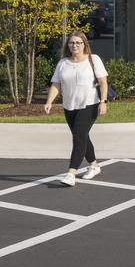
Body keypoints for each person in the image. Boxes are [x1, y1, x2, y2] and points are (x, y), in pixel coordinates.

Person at [43, 31, 109, 185]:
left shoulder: (93, 59)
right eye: (72, 43)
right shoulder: (63, 63)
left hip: (89, 104)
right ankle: (94, 166)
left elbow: (103, 82)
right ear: (68, 45)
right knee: (83, 137)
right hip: (69, 105)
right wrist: (49, 102)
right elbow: (56, 84)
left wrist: (103, 102)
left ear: (84, 44)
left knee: (78, 138)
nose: (75, 46)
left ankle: (71, 174)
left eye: (78, 43)